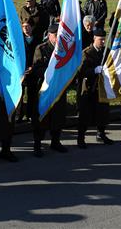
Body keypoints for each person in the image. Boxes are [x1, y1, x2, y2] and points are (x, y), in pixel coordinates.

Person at [30, 24, 68, 156]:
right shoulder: (41, 49)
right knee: (42, 117)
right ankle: (38, 144)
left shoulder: (64, 50)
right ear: (49, 35)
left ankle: (55, 141)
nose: (57, 38)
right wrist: (51, 72)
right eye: (55, 35)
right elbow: (36, 69)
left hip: (59, 87)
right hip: (45, 88)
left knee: (58, 115)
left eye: (59, 35)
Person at [77, 28, 112, 147]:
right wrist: (94, 70)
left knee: (102, 112)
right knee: (85, 114)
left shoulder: (106, 51)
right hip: (88, 87)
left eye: (104, 40)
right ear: (94, 39)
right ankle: (81, 138)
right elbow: (81, 71)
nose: (102, 42)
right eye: (100, 40)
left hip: (102, 87)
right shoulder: (87, 52)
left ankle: (101, 134)